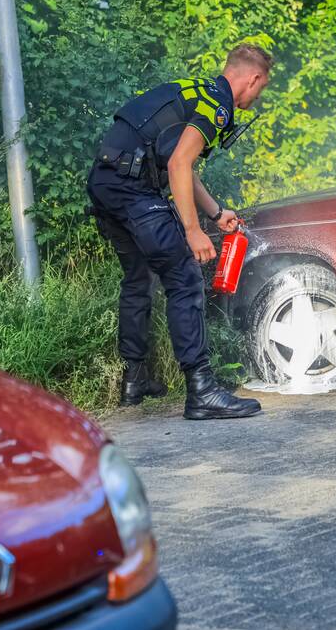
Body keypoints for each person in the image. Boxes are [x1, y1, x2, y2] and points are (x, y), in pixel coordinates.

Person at [88, 44, 272, 420]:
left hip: (106, 182)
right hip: (133, 189)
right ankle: (202, 390)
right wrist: (192, 231)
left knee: (138, 278)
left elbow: (183, 165)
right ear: (252, 79)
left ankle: (135, 381)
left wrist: (216, 213)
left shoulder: (196, 89)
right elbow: (178, 164)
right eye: (261, 89)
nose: (257, 97)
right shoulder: (217, 105)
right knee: (184, 277)